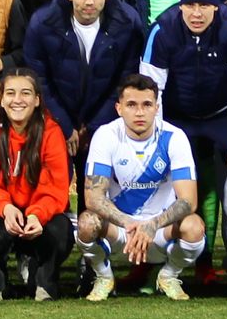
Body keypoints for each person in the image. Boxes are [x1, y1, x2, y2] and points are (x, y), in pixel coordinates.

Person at [138, 0, 227, 287]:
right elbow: (152, 92)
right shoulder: (163, 29)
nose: (197, 13)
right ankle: (163, 260)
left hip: (224, 114)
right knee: (164, 177)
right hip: (178, 116)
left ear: (217, 6)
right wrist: (163, 143)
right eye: (190, 5)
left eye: (205, 5)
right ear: (180, 5)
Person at [78, 74, 205, 302]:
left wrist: (152, 225)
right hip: (120, 231)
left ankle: (169, 275)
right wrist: (129, 223)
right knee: (87, 223)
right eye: (131, 105)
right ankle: (104, 277)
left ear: (157, 107)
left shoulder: (174, 137)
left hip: (160, 231)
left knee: (194, 227)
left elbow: (189, 200)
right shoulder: (106, 136)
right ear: (119, 108)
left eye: (146, 105)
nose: (139, 112)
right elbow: (93, 198)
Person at [0, 69, 76, 301]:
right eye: (10, 93)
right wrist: (5, 208)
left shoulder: (51, 132)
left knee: (62, 229)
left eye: (25, 93)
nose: (17, 100)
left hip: (38, 215)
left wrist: (37, 215)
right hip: (4, 213)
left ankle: (44, 278)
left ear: (37, 100)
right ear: (2, 99)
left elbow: (55, 187)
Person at [21, 0, 144, 149]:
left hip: (108, 125)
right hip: (55, 124)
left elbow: (126, 80)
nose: (89, 1)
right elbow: (39, 80)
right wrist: (64, 125)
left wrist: (97, 127)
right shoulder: (42, 23)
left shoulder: (128, 23)